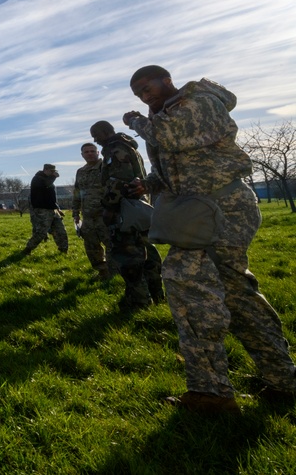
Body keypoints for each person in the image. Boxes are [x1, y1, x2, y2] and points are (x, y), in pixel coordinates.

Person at [124, 65, 296, 413]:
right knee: (235, 293)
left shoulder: (198, 101)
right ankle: (283, 379)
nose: (145, 95)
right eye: (138, 93)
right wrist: (151, 183)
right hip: (204, 208)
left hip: (220, 207)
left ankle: (211, 393)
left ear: (166, 79)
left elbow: (170, 137)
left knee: (187, 286)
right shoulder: (169, 115)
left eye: (147, 86)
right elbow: (179, 164)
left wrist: (136, 121)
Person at [90, 121, 164, 310]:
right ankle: (157, 295)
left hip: (125, 210)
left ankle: (138, 301)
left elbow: (118, 182)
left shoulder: (114, 150)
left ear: (106, 132)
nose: (95, 140)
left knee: (129, 257)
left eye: (96, 135)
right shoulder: (129, 147)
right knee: (148, 253)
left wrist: (109, 208)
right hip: (139, 209)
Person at [71, 143, 111, 281]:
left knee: (111, 244)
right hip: (87, 217)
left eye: (92, 151)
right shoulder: (80, 172)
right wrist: (75, 213)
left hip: (105, 215)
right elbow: (77, 193)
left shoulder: (105, 167)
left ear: (98, 153)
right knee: (91, 247)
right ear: (82, 155)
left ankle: (116, 272)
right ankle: (102, 272)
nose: (90, 153)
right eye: (86, 152)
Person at [22, 164, 68, 254]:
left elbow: (51, 196)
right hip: (42, 210)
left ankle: (63, 250)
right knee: (41, 232)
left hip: (52, 210)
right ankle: (28, 249)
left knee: (60, 230)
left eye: (54, 172)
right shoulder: (37, 179)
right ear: (45, 170)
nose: (53, 173)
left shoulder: (48, 179)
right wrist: (53, 177)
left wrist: (57, 208)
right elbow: (45, 185)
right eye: (51, 171)